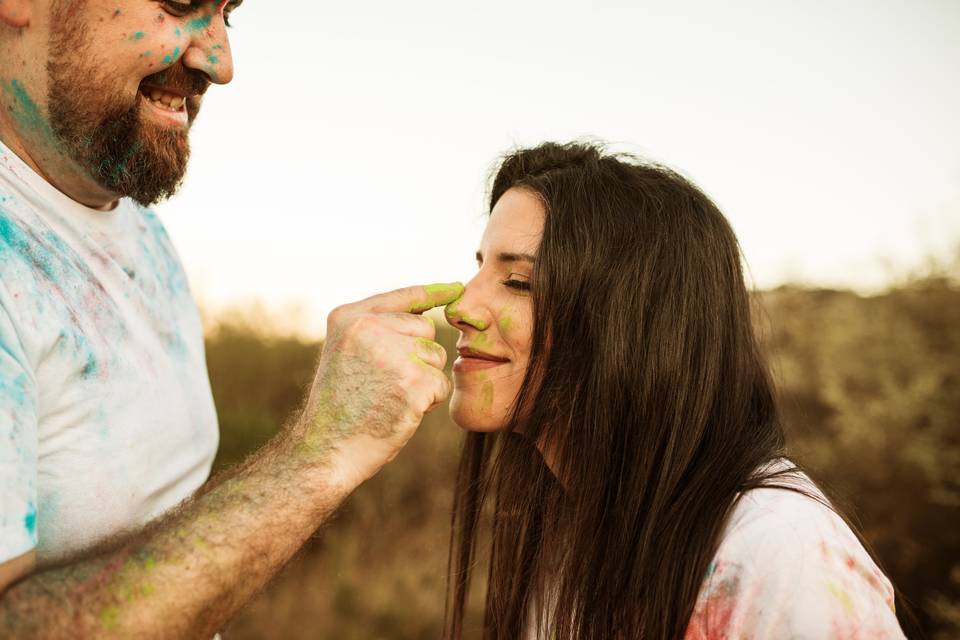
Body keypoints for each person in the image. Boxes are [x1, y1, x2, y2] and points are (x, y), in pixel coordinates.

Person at [0, 1, 459, 636]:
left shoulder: (136, 221)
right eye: (181, 3)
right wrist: (317, 455)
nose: (221, 63)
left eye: (227, 15)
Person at [442, 141, 907, 639]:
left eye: (517, 280)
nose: (460, 306)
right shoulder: (567, 534)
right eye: (479, 268)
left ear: (633, 324)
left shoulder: (776, 554)